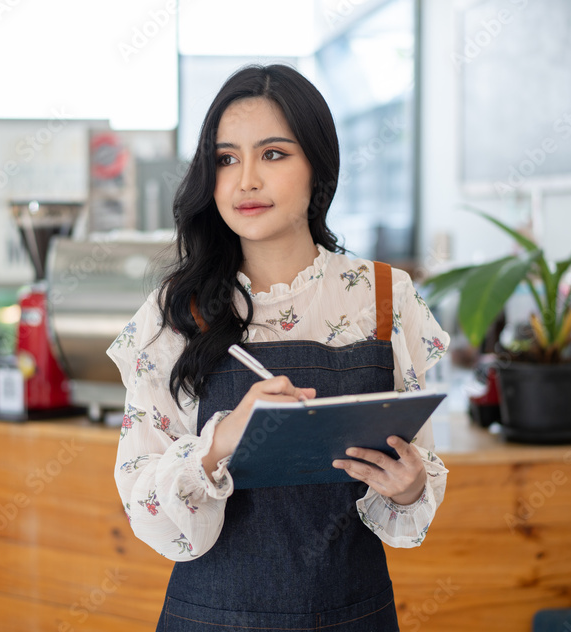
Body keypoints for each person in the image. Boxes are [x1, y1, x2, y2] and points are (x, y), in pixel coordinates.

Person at [107, 64, 450, 631]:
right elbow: (143, 498)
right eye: (225, 159)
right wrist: (221, 441)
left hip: (355, 615)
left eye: (273, 154)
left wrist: (411, 487)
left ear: (318, 166)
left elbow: (417, 479)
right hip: (212, 618)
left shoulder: (385, 297)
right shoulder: (176, 311)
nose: (245, 181)